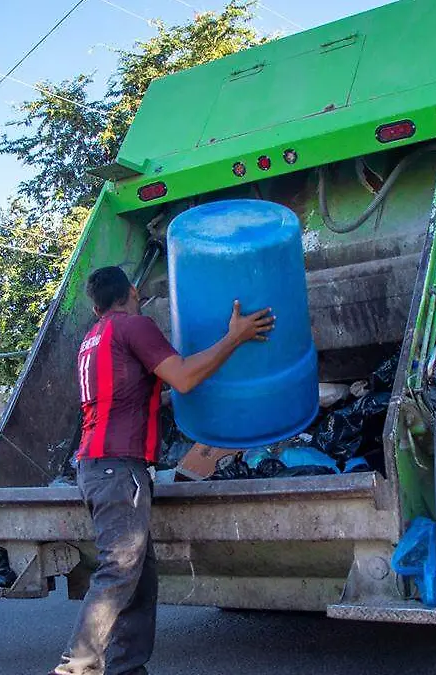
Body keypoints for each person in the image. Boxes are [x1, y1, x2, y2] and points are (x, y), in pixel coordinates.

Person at [53, 266, 273, 675]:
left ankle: (126, 669)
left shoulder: (93, 337)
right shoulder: (134, 326)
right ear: (133, 292)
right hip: (118, 469)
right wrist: (235, 337)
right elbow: (185, 377)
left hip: (97, 466)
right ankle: (76, 667)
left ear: (96, 304)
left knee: (139, 577)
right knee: (119, 568)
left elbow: (130, 395)